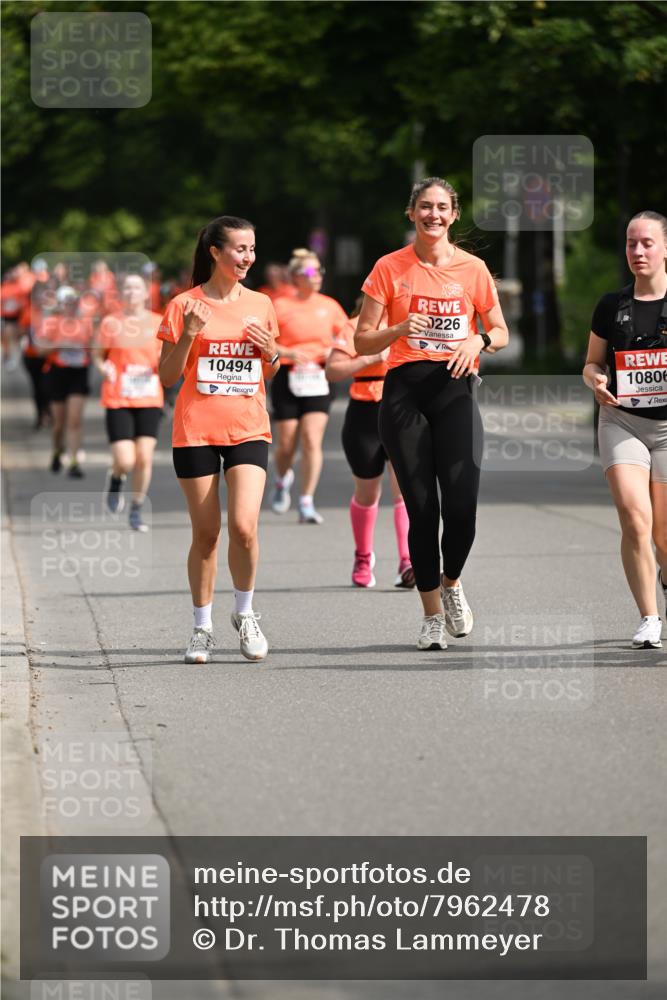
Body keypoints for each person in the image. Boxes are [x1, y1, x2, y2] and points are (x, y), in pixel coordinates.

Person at [355, 177, 509, 650]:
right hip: (404, 393)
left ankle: (452, 582)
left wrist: (477, 339)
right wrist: (399, 327)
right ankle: (429, 616)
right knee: (423, 510)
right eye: (425, 207)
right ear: (412, 213)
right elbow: (362, 339)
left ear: (454, 214)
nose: (433, 215)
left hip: (456, 391)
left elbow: (500, 329)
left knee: (462, 507)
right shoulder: (389, 267)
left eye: (442, 207)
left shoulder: (473, 269)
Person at [158, 215, 280, 665]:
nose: (248, 257)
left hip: (248, 427)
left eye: (252, 249)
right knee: (207, 534)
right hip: (196, 431)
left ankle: (245, 614)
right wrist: (189, 334)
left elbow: (271, 368)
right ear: (215, 252)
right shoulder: (183, 305)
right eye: (239, 249)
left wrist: (272, 352)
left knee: (245, 528)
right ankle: (201, 627)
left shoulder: (263, 303)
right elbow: (168, 376)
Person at [583, 210, 667, 649]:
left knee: (665, 533)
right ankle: (649, 617)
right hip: (622, 421)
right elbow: (592, 362)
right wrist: (595, 379)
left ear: (665, 248)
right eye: (631, 243)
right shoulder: (611, 306)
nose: (637, 251)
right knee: (636, 518)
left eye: (647, 243)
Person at [325, 299, 414, 588]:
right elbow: (333, 370)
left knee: (404, 490)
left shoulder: (409, 324)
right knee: (367, 492)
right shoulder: (354, 327)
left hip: (401, 409)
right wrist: (371, 358)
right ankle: (363, 557)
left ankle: (408, 561)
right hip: (364, 413)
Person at [270, 248, 348, 523]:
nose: (317, 277)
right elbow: (266, 341)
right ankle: (282, 479)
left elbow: (347, 335)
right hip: (289, 376)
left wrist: (335, 351)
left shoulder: (329, 305)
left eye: (319, 271)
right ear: (295, 277)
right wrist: (289, 353)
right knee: (286, 444)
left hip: (318, 377)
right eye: (310, 272)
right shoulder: (280, 305)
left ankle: (306, 501)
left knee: (312, 439)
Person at [94, 274, 163, 531]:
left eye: (137, 287)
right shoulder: (111, 323)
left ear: (146, 293)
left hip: (148, 397)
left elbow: (167, 357)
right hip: (118, 397)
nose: (132, 292)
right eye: (127, 287)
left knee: (144, 457)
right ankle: (115, 478)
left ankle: (136, 507)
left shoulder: (158, 323)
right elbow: (99, 356)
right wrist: (105, 369)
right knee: (125, 460)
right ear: (121, 293)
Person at [38, 285, 93, 478]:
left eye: (73, 301)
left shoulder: (85, 322)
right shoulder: (51, 322)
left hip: (79, 373)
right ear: (60, 304)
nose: (70, 305)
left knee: (75, 420)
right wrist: (60, 345)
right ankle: (57, 451)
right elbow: (40, 350)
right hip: (57, 373)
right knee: (59, 423)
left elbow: (94, 346)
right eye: (66, 302)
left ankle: (74, 462)